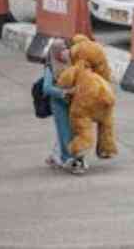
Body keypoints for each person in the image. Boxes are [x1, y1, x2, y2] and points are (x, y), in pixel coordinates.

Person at [43, 39, 83, 174]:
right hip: (59, 105)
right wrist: (64, 92)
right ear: (55, 52)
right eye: (61, 49)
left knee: (72, 131)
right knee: (65, 132)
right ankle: (69, 161)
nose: (65, 51)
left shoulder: (71, 62)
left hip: (73, 103)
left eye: (66, 48)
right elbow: (46, 88)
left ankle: (55, 156)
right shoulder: (50, 67)